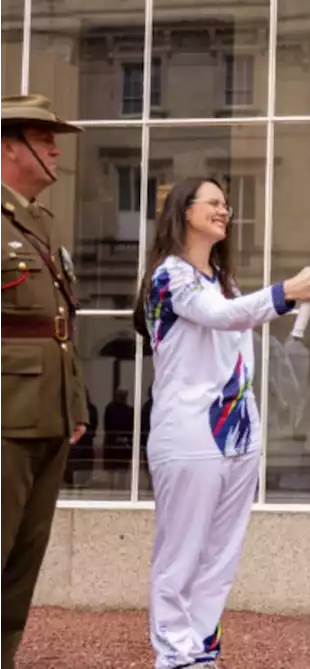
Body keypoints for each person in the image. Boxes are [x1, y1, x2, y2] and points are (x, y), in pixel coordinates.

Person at [131, 177, 310, 668]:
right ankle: (174, 656)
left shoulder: (224, 280)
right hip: (190, 432)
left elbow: (233, 319)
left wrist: (283, 297)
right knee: (181, 554)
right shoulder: (169, 276)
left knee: (221, 556)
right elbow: (220, 317)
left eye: (227, 203)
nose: (225, 210)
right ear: (185, 211)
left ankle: (201, 653)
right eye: (214, 202)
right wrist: (287, 291)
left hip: (239, 434)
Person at [0, 92, 89, 664]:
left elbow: (58, 324)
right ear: (9, 146)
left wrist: (73, 403)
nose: (57, 148)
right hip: (4, 415)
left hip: (45, 414)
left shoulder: (41, 222)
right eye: (44, 136)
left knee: (19, 571)